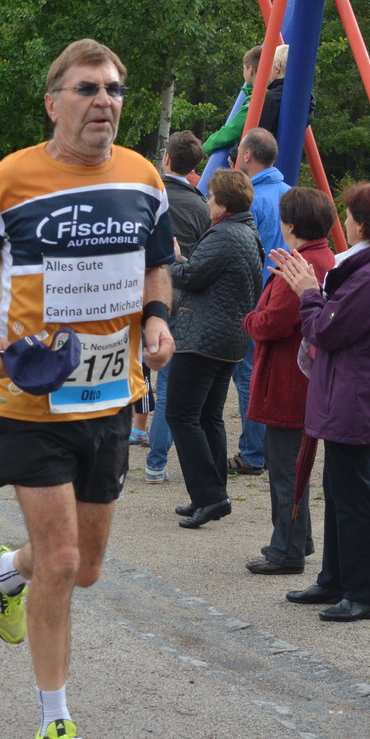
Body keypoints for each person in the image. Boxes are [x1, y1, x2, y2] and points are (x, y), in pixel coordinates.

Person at [0, 39, 176, 739]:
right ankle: (53, 725)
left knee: (87, 568)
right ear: (53, 101)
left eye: (114, 89)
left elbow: (157, 262)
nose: (104, 100)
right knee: (64, 560)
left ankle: (4, 569)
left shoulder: (143, 178)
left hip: (109, 401)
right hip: (30, 400)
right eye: (87, 88)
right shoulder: (9, 181)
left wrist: (159, 319)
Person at [272, 182, 370, 622]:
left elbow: (325, 330)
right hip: (349, 390)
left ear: (363, 224)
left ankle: (364, 591)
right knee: (340, 488)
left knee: (353, 493)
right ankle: (336, 577)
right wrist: (315, 293)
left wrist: (309, 293)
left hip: (355, 394)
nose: (343, 224)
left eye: (349, 216)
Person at [242, 186, 339, 574]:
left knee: (284, 467)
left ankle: (287, 549)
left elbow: (274, 321)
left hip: (288, 377)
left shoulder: (303, 264)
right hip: (306, 377)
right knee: (291, 464)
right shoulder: (324, 257)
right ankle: (298, 537)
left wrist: (249, 318)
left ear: (291, 224)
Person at [164, 168, 264, 528]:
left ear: (222, 203)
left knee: (181, 415)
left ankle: (210, 496)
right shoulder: (248, 233)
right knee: (208, 417)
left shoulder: (223, 235)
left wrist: (172, 258)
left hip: (203, 340)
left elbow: (191, 277)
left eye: (210, 196)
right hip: (230, 339)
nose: (207, 202)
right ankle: (211, 493)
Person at [144, 131, 213, 482]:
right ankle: (156, 462)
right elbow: (202, 256)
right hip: (180, 302)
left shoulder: (148, 196)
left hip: (140, 296)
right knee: (169, 384)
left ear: (167, 159)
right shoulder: (201, 205)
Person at [226, 128, 291, 475]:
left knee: (248, 376)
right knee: (273, 376)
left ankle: (252, 452)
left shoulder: (251, 200)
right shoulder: (289, 194)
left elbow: (247, 255)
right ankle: (271, 448)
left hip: (256, 299)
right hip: (289, 298)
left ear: (247, 155)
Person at [199, 45, 264, 159]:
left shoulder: (258, 97)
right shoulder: (268, 90)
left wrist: (207, 146)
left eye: (244, 68)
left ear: (250, 70)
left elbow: (234, 129)